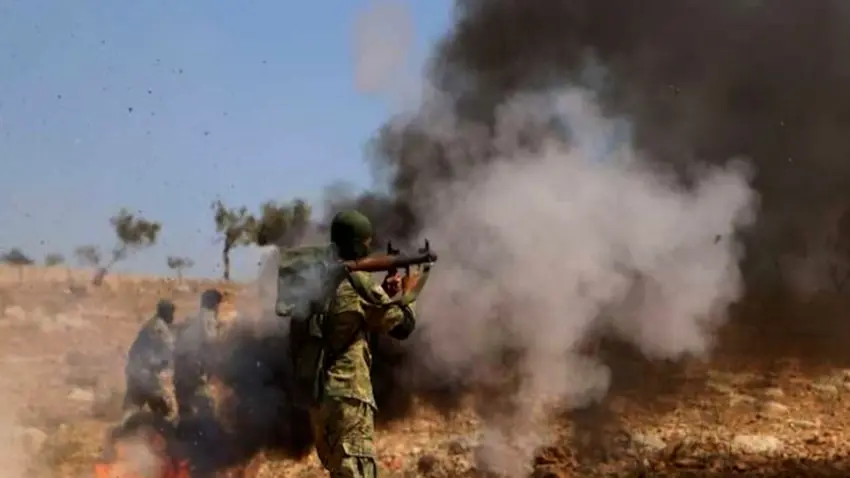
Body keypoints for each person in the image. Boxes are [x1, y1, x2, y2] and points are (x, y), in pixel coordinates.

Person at [309, 210, 420, 478]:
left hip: (320, 397)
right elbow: (403, 326)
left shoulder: (320, 279)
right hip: (348, 395)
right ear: (360, 244)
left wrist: (383, 291)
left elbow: (352, 313)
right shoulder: (357, 281)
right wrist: (410, 291)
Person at [121, 299, 176, 422]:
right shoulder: (160, 328)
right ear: (166, 313)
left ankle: (123, 431)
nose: (173, 317)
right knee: (165, 411)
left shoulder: (151, 324)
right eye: (171, 313)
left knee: (132, 407)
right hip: (146, 375)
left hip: (135, 371)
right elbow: (170, 349)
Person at [173, 288, 222, 423]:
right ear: (215, 305)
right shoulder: (209, 318)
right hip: (193, 370)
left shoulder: (190, 319)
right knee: (206, 407)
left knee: (185, 410)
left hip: (179, 370)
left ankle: (181, 438)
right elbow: (210, 344)